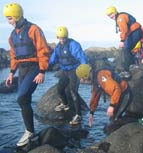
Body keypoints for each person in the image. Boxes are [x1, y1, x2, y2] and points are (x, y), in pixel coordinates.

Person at [3, 3, 50, 147]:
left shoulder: (33, 29)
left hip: (34, 67)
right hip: (22, 69)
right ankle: (32, 133)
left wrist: (42, 71)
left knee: (21, 97)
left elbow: (43, 50)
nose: (8, 21)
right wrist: (11, 73)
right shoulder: (12, 35)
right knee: (26, 100)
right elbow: (13, 55)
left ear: (17, 15)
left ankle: (29, 132)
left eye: (10, 18)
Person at [49, 26, 88, 125]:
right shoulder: (58, 47)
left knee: (73, 91)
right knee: (60, 89)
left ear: (67, 36)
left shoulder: (73, 45)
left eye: (63, 38)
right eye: (60, 38)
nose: (62, 40)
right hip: (65, 71)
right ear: (57, 37)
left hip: (74, 71)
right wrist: (45, 66)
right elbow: (53, 59)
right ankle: (65, 104)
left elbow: (82, 57)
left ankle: (78, 115)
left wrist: (84, 72)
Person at [75, 62, 132, 127]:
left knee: (115, 119)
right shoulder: (95, 80)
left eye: (82, 78)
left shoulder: (101, 76)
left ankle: (137, 123)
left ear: (86, 75)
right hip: (119, 96)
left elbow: (116, 89)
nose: (82, 81)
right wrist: (91, 113)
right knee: (113, 119)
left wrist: (111, 106)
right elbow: (95, 97)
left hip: (125, 94)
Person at [106, 6, 142, 78]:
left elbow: (124, 30)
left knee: (126, 49)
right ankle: (133, 65)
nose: (110, 16)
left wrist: (122, 41)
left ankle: (127, 71)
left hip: (135, 32)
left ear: (115, 12)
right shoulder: (120, 17)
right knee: (127, 49)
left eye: (111, 14)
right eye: (109, 15)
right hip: (135, 32)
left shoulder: (120, 18)